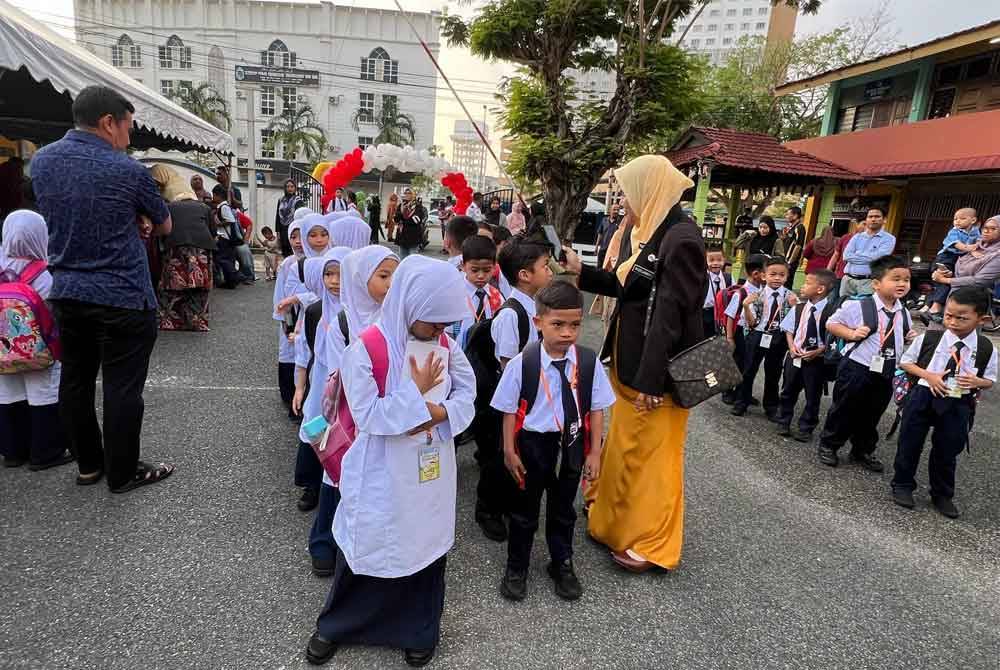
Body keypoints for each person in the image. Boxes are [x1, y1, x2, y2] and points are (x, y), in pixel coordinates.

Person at [305, 255, 476, 668]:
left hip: (429, 468)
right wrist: (417, 397)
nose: (440, 331)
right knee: (369, 544)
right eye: (433, 322)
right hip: (380, 468)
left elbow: (467, 398)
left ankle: (418, 628)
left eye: (445, 324)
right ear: (411, 306)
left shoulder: (447, 346)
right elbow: (369, 416)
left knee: (423, 548)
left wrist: (440, 414)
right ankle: (339, 624)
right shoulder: (366, 347)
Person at [563, 154, 705, 573]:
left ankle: (653, 543)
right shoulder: (652, 230)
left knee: (655, 460)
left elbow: (670, 317)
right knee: (626, 450)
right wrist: (580, 271)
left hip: (655, 376)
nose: (623, 200)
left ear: (651, 189)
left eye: (628, 191)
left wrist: (651, 380)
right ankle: (614, 521)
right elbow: (630, 289)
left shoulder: (682, 240)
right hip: (631, 364)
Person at [30, 85, 175, 492]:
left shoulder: (41, 163)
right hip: (122, 293)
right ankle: (123, 472)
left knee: (75, 379)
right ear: (108, 122)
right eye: (127, 127)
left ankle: (89, 465)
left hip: (68, 290)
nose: (129, 137)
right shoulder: (126, 169)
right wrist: (138, 220)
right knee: (122, 386)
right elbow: (164, 223)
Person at [491, 281, 615, 602]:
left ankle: (561, 562)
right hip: (533, 445)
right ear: (538, 322)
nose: (567, 333)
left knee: (563, 510)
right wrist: (508, 449)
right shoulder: (523, 363)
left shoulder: (588, 363)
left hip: (572, 442)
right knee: (524, 510)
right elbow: (507, 411)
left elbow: (597, 408)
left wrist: (595, 452)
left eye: (575, 325)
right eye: (557, 324)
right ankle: (517, 566)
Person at [308, 245, 399, 577]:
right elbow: (334, 373)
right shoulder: (342, 323)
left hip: (382, 410)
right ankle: (322, 543)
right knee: (336, 474)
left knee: (371, 481)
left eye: (395, 275)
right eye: (384, 275)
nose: (392, 283)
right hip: (347, 414)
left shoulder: (399, 318)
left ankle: (360, 544)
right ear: (361, 280)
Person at [892, 287, 996, 519]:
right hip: (923, 395)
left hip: (958, 402)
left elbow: (990, 380)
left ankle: (942, 494)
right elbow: (906, 363)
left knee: (947, 449)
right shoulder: (930, 337)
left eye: (962, 317)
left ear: (982, 319)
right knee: (910, 441)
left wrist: (977, 381)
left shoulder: (986, 347)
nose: (953, 322)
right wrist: (928, 375)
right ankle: (902, 484)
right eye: (949, 315)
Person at [817, 255, 913, 472]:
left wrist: (908, 337)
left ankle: (862, 449)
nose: (902, 284)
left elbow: (898, 336)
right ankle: (829, 444)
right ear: (876, 284)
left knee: (873, 411)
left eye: (906, 280)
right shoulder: (858, 305)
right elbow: (832, 324)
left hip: (886, 369)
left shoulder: (903, 312)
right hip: (857, 367)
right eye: (895, 278)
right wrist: (850, 333)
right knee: (844, 407)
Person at [0, 210, 73, 471]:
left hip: (2, 348)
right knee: (43, 391)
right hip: (38, 349)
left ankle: (12, 451)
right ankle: (45, 452)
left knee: (8, 392)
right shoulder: (42, 273)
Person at [730, 258, 796, 419]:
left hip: (777, 337)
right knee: (748, 370)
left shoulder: (790, 297)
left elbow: (793, 321)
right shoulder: (756, 295)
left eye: (781, 275)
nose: (777, 278)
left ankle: (771, 406)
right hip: (757, 334)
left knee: (773, 373)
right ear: (764, 276)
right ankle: (741, 402)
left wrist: (795, 307)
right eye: (772, 274)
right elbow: (750, 323)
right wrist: (746, 306)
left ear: (787, 277)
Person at [775, 269, 836, 442]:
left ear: (820, 289)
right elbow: (788, 329)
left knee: (812, 395)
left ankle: (806, 426)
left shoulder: (831, 311)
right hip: (795, 356)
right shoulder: (799, 307)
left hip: (815, 360)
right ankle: (783, 420)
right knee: (788, 390)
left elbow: (833, 339)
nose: (802, 286)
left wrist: (819, 351)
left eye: (808, 283)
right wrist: (791, 347)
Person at [157, 188, 216, 332]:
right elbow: (212, 231)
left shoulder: (169, 207)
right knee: (201, 288)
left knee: (172, 287)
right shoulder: (204, 208)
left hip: (175, 246)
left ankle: (170, 322)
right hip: (201, 247)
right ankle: (198, 323)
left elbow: (163, 230)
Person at [920, 208, 987, 324]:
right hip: (946, 257)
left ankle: (931, 308)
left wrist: (979, 247)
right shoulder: (954, 231)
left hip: (959, 260)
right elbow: (957, 244)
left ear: (973, 220)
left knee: (952, 283)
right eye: (955, 218)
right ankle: (934, 309)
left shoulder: (976, 231)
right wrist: (970, 249)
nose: (957, 221)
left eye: (962, 218)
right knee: (945, 281)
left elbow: (980, 241)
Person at [720, 254, 766, 406]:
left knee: (748, 364)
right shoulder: (742, 293)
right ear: (756, 274)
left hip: (754, 332)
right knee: (736, 362)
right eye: (767, 272)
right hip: (740, 332)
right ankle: (727, 390)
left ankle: (742, 392)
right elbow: (730, 316)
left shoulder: (762, 291)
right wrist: (730, 337)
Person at [273, 220, 306, 411]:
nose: (298, 242)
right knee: (289, 353)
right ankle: (289, 397)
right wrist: (285, 322)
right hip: (291, 316)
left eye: (302, 236)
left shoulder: (321, 262)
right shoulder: (288, 264)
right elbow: (280, 295)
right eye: (293, 237)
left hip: (308, 316)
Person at [839, 207, 896, 299]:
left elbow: (878, 258)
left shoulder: (889, 239)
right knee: (843, 308)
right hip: (848, 281)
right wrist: (869, 257)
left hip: (868, 282)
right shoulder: (857, 237)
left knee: (864, 310)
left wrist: (857, 254)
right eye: (870, 217)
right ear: (866, 220)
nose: (873, 219)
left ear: (884, 220)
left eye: (877, 216)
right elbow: (846, 256)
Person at [210, 184, 242, 289]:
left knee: (223, 259)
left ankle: (233, 278)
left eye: (214, 195)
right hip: (224, 237)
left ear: (219, 195)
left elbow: (230, 220)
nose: (213, 197)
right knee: (226, 259)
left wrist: (219, 224)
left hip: (225, 238)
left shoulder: (224, 207)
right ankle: (230, 281)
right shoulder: (222, 207)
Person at [827, 217, 858, 305]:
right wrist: (828, 270)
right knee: (832, 299)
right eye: (863, 224)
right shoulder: (846, 237)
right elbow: (836, 254)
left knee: (846, 303)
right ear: (856, 224)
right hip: (839, 275)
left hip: (855, 278)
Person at [702, 246, 730, 338]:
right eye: (711, 260)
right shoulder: (702, 278)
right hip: (705, 314)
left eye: (719, 260)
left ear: (724, 260)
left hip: (722, 313)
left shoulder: (728, 278)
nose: (715, 263)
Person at [392, 187, 427, 259]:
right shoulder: (401, 206)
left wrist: (403, 218)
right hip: (402, 237)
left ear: (413, 195)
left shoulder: (418, 206)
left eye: (409, 193)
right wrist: (402, 213)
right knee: (402, 259)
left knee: (413, 259)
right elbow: (396, 219)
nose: (407, 195)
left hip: (413, 236)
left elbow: (417, 220)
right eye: (405, 193)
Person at [275, 179, 304, 257]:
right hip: (283, 229)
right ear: (285, 188)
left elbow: (300, 217)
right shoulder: (280, 200)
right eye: (288, 187)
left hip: (293, 228)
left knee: (293, 250)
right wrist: (277, 231)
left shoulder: (298, 200)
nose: (290, 188)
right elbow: (277, 216)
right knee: (284, 250)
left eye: (292, 186)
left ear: (295, 188)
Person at [782, 206, 806, 289]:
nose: (786, 216)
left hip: (790, 261)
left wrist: (790, 261)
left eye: (788, 214)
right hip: (785, 259)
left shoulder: (800, 228)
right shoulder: (791, 228)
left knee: (787, 283)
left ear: (795, 216)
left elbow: (798, 246)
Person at [595, 202, 622, 269]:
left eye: (617, 210)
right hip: (603, 248)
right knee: (599, 266)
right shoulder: (604, 220)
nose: (616, 211)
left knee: (609, 268)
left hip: (613, 251)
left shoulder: (621, 222)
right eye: (614, 209)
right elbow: (600, 234)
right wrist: (596, 246)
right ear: (610, 210)